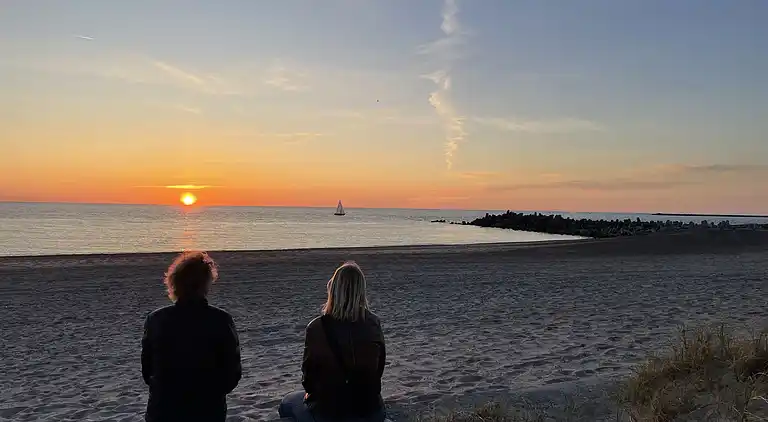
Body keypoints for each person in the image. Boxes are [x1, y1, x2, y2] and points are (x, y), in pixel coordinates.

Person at [279, 262, 387, 422]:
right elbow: (379, 369)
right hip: (369, 408)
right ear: (361, 292)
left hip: (330, 410)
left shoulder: (317, 327)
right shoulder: (373, 323)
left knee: (287, 403)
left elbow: (309, 377)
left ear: (333, 290)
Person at [141, 251, 242, 422]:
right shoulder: (220, 319)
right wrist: (213, 393)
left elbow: (147, 369)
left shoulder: (156, 319)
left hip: (163, 409)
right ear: (205, 284)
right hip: (207, 409)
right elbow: (232, 372)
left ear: (174, 282)